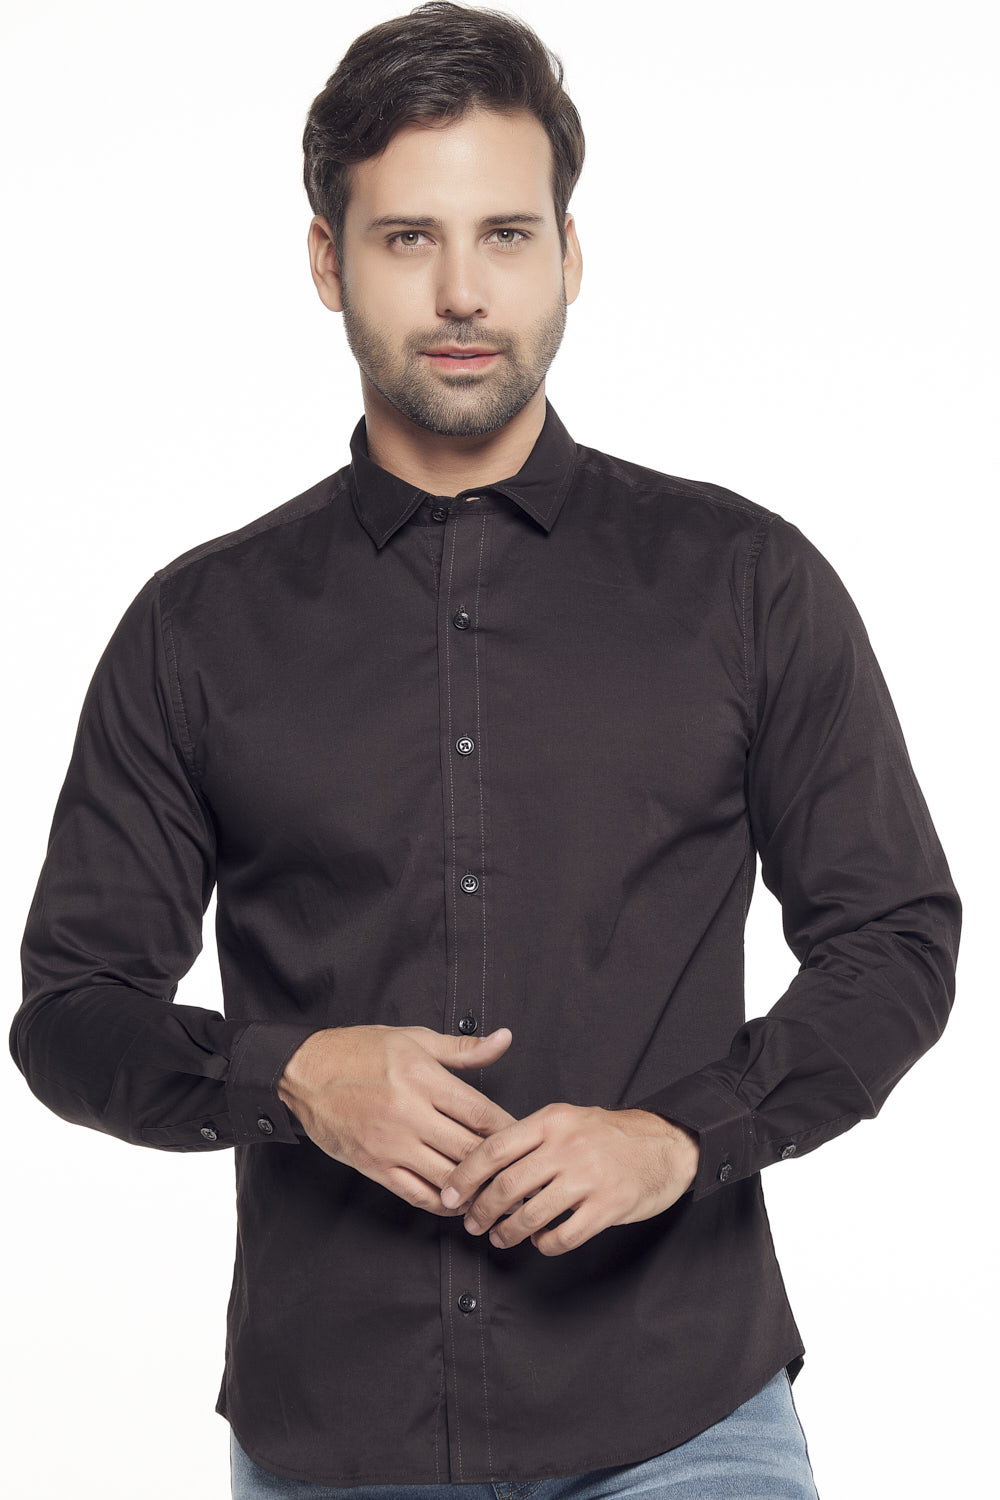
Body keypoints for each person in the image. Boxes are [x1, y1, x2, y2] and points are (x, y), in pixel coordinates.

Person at [11, 4, 961, 1497]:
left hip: (680, 1420)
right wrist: (291, 1075)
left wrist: (680, 1139)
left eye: (507, 235)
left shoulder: (745, 584)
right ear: (326, 260)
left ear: (569, 254)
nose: (463, 290)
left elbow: (894, 937)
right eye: (407, 239)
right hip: (337, 1437)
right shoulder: (197, 630)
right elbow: (71, 1011)